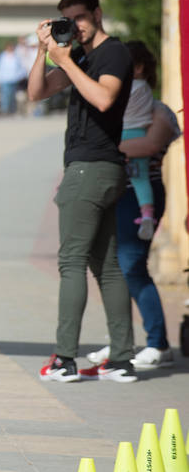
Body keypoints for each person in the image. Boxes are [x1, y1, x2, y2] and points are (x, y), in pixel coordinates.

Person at [27, 0, 137, 383]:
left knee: (71, 260)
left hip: (90, 169)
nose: (75, 26)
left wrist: (68, 63)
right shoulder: (81, 57)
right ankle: (122, 359)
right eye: (67, 20)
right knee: (106, 266)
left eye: (80, 18)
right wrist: (44, 53)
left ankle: (64, 359)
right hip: (102, 170)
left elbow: (105, 99)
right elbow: (36, 92)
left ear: (98, 13)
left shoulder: (113, 53)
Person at [84, 45, 180, 372]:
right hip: (112, 191)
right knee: (112, 271)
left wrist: (104, 147)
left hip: (141, 198)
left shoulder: (158, 110)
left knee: (131, 267)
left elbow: (149, 144)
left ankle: (158, 343)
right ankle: (121, 341)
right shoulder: (117, 108)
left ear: (138, 67)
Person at [119, 40, 157, 240]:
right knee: (140, 178)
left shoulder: (127, 87)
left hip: (123, 135)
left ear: (138, 67)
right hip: (140, 136)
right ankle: (147, 214)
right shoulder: (146, 89)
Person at [0, 42, 27, 115]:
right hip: (5, 79)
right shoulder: (2, 57)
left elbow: (21, 68)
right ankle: (4, 110)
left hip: (14, 79)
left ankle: (12, 110)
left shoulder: (16, 57)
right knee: (5, 95)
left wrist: (21, 76)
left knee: (13, 96)